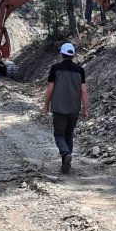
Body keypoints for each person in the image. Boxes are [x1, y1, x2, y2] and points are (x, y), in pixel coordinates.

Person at [42, 43, 89, 174]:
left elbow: (50, 88)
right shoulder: (80, 70)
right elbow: (84, 91)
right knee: (69, 134)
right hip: (74, 108)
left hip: (58, 108)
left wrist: (46, 104)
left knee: (58, 134)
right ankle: (66, 162)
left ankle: (65, 153)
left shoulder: (55, 68)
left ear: (61, 54)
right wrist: (85, 109)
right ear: (73, 55)